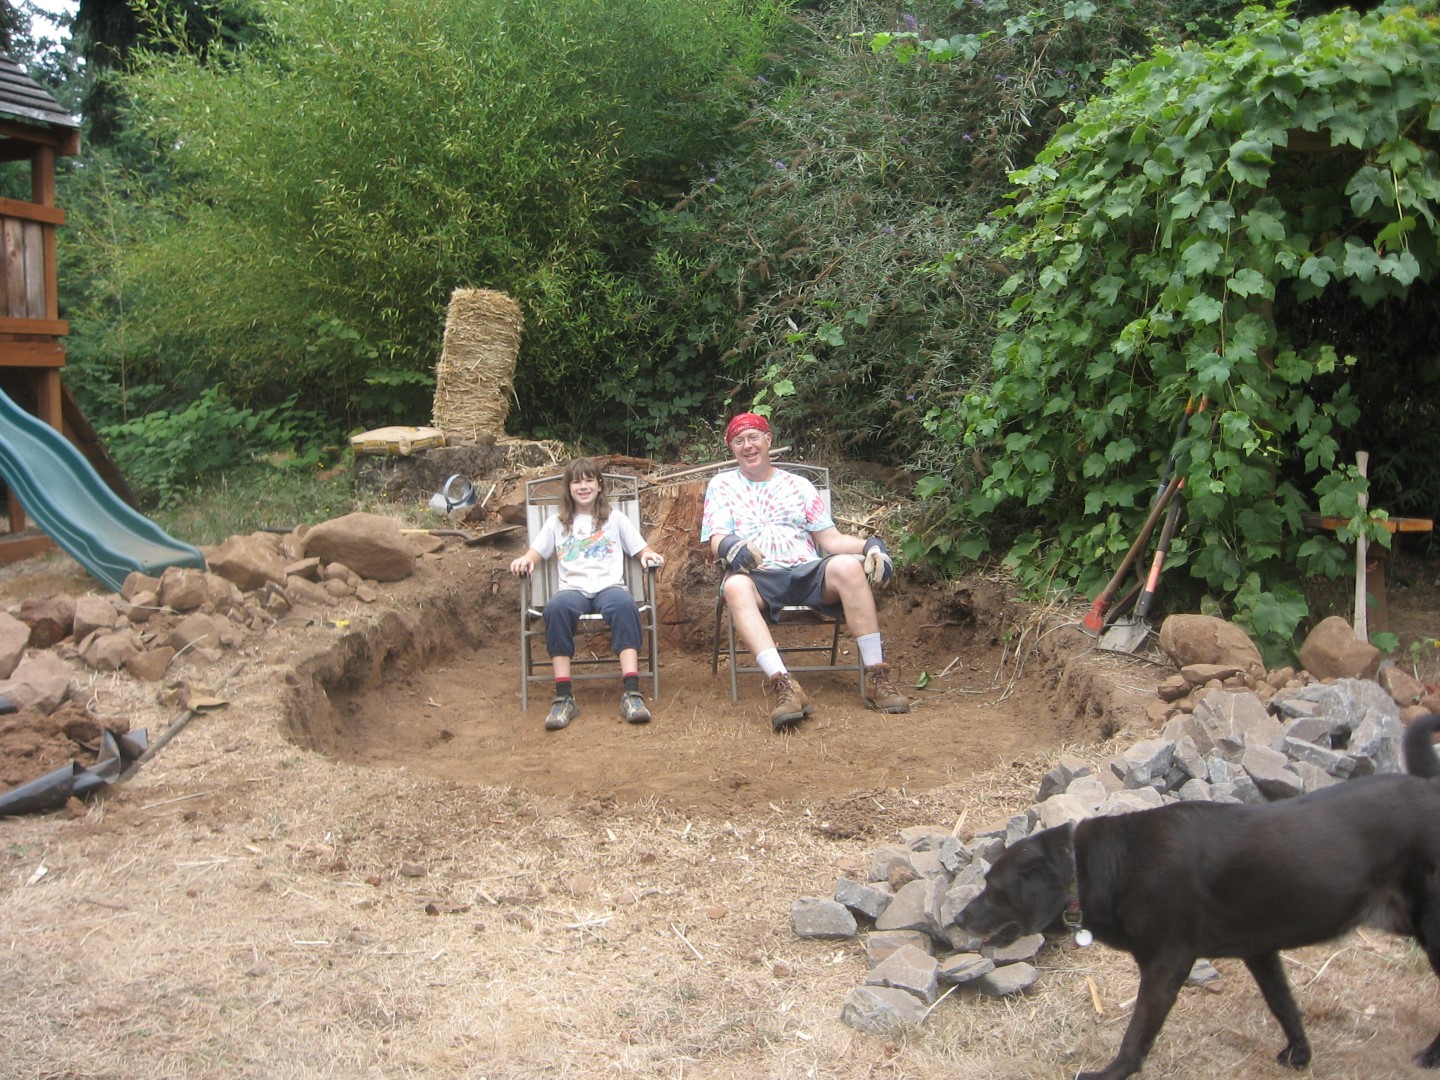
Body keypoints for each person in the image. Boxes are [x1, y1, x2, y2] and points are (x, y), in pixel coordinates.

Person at [701, 412, 908, 732]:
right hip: (759, 575)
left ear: (768, 440)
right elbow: (716, 539)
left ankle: (877, 676)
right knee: (734, 587)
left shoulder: (799, 486)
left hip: (807, 570)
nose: (747, 445)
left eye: (754, 436)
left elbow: (831, 539)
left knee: (848, 567)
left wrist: (870, 545)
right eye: (738, 441)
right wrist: (729, 545)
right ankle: (784, 685)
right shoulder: (722, 485)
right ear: (732, 449)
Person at [510, 458, 664, 731]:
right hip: (573, 589)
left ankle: (632, 692)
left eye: (589, 480)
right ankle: (564, 696)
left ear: (599, 484)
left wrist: (648, 555)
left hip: (610, 586)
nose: (583, 486)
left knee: (624, 606)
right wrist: (526, 559)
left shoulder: (615, 519)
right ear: (568, 488)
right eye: (576, 481)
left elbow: (640, 548)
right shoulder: (557, 522)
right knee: (555, 609)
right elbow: (537, 551)